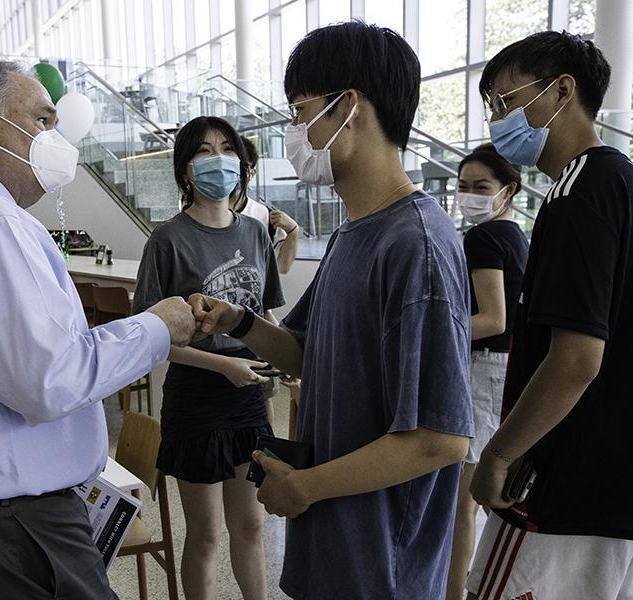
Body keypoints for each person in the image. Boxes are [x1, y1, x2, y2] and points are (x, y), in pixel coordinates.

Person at [0, 59, 196, 600]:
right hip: (6, 518)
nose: (55, 138)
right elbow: (49, 380)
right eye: (43, 121)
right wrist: (156, 328)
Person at [188, 22, 474, 599]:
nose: (294, 130)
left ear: (350, 106)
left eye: (300, 110)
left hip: (382, 564)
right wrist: (240, 321)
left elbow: (440, 438)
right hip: (336, 552)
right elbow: (304, 352)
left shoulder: (415, 245)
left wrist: (308, 487)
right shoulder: (354, 234)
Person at [467, 32, 633, 600]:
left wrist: (499, 455)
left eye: (503, 100)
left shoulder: (578, 191)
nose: (497, 119)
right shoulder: (631, 183)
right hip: (623, 491)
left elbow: (575, 359)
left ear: (562, 90)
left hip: (565, 489)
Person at [133, 116, 284, 600]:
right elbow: (149, 337)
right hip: (197, 398)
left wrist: (287, 362)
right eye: (203, 150)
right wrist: (224, 366)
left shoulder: (257, 235)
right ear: (184, 170)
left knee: (252, 524)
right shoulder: (167, 240)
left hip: (250, 398)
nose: (217, 158)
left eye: (226, 148)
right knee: (206, 534)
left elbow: (267, 318)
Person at [446, 144, 529, 600]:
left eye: (481, 187)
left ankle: (456, 593)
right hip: (505, 369)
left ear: (508, 190)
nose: (469, 196)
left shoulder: (483, 238)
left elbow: (492, 319)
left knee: (463, 502)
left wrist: (437, 335)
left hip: (484, 369)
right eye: (463, 187)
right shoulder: (515, 234)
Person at [229, 136, 299, 274]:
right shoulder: (200, 214)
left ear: (252, 173)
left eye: (239, 167)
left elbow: (282, 267)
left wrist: (293, 231)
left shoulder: (264, 216)